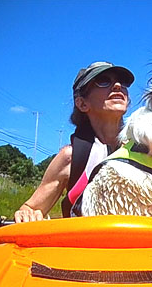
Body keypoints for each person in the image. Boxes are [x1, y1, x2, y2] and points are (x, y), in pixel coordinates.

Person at [14, 61, 134, 222]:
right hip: (85, 246)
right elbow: (31, 208)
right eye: (103, 81)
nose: (118, 85)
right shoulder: (69, 158)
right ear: (82, 104)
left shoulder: (146, 151)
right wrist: (27, 213)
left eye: (123, 82)